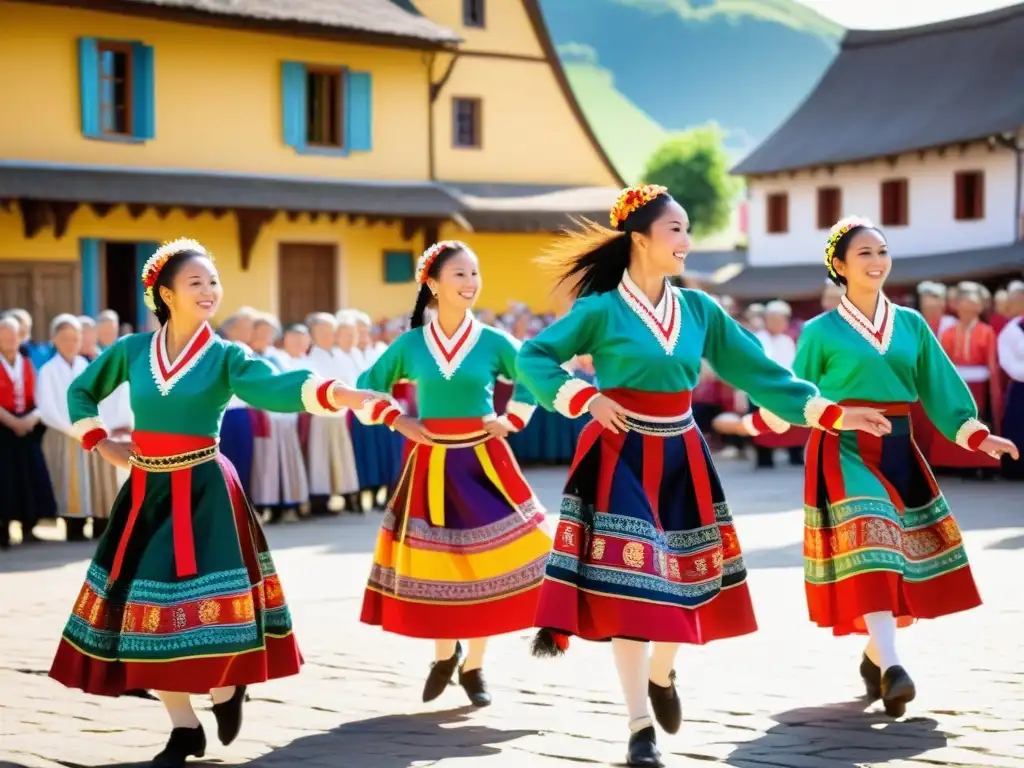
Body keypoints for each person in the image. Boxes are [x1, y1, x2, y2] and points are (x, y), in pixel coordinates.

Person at [515, 186, 891, 768]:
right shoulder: (599, 311)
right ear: (640, 238)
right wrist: (582, 397)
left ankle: (663, 673)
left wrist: (832, 412)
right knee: (631, 587)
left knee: (683, 578)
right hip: (620, 453)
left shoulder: (700, 311)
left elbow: (763, 374)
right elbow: (534, 357)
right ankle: (639, 724)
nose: (687, 242)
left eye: (689, 230)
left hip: (682, 456)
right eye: (676, 230)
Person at [47, 238, 376, 768]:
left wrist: (341, 394)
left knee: (207, 605)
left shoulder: (227, 356)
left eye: (213, 282)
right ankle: (184, 729)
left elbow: (275, 387)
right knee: (142, 611)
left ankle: (226, 690)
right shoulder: (132, 351)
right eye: (196, 282)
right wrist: (100, 441)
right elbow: (81, 392)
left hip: (205, 493)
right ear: (164, 293)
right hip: (147, 494)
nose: (208, 291)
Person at [730, 216, 1018, 718]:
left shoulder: (910, 324)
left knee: (899, 558)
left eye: (882, 251)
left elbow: (940, 388)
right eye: (864, 253)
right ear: (839, 266)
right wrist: (755, 424)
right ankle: (894, 667)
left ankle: (875, 654)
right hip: (841, 446)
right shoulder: (820, 331)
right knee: (874, 540)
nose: (877, 261)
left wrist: (976, 433)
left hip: (899, 445)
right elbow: (795, 392)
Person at [353, 240, 552, 708]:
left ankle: (475, 665)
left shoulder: (493, 340)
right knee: (439, 563)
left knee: (495, 560)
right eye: (459, 274)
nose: (470, 283)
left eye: (475, 274)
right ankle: (445, 655)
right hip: (430, 463)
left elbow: (533, 374)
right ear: (433, 285)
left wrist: (513, 418)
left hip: (485, 464)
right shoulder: (411, 344)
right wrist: (397, 418)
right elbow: (367, 386)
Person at [35, 314, 103, 541]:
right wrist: (71, 429)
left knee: (87, 481)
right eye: (65, 338)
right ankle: (72, 526)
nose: (71, 343)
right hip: (60, 433)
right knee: (66, 480)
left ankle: (88, 521)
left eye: (75, 338)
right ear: (54, 339)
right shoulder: (48, 370)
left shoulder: (84, 365)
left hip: (85, 431)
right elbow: (47, 408)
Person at [0, 315, 55, 549]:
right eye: (4, 335)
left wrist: (30, 419)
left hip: (28, 426)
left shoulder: (28, 362)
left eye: (14, 334)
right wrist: (12, 421)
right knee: (5, 480)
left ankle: (29, 527)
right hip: (3, 428)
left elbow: (42, 396)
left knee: (30, 476)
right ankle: (3, 530)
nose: (10, 339)